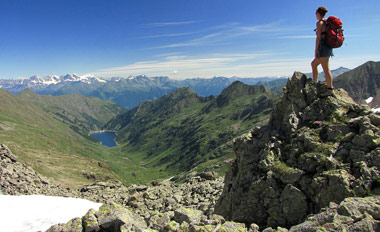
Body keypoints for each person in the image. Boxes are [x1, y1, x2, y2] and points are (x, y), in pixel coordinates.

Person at [311, 6, 334, 93]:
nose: (315, 15)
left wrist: (316, 50)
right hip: (328, 47)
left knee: (326, 69)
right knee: (313, 64)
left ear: (318, 13)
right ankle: (315, 83)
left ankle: (329, 90)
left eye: (316, 13)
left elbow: (318, 38)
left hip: (322, 48)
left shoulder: (320, 23)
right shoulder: (327, 22)